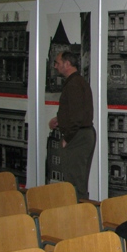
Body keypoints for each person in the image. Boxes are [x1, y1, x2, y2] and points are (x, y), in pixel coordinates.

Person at [48, 51, 96, 200]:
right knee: (78, 182)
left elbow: (77, 117)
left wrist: (67, 138)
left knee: (75, 185)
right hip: (82, 134)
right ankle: (80, 212)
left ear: (67, 64)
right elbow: (78, 110)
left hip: (77, 136)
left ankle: (79, 214)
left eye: (57, 62)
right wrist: (60, 119)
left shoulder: (73, 84)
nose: (55, 66)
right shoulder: (78, 81)